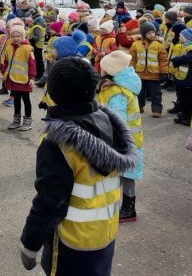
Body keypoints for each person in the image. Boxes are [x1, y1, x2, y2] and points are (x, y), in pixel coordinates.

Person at [20, 57, 138, 275]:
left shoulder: (59, 143)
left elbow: (49, 201)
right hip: (104, 233)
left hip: (71, 241)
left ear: (54, 93)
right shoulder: (106, 121)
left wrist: (30, 242)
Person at [97, 51, 145, 223]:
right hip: (123, 141)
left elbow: (118, 120)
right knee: (121, 173)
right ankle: (120, 204)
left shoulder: (118, 93)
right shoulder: (113, 87)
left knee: (127, 175)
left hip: (124, 142)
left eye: (102, 69)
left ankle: (129, 208)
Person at [129, 21, 169, 117]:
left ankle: (156, 110)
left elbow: (163, 59)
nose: (151, 35)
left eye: (153, 32)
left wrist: (164, 72)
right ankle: (139, 107)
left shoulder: (159, 45)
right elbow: (132, 59)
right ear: (143, 34)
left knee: (156, 94)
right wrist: (131, 70)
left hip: (154, 74)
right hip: (140, 74)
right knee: (139, 93)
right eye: (148, 33)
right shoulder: (136, 44)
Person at [2, 25, 36, 131]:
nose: (16, 38)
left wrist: (32, 78)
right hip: (13, 79)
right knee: (16, 99)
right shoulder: (9, 48)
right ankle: (16, 120)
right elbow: (6, 63)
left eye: (18, 36)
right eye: (13, 36)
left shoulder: (28, 49)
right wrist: (4, 73)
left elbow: (32, 64)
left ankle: (27, 121)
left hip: (24, 79)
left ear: (23, 37)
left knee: (26, 99)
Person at [172, 28, 192, 126]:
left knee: (188, 100)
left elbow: (189, 59)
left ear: (187, 39)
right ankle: (184, 115)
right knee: (183, 98)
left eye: (181, 37)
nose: (179, 38)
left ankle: (189, 118)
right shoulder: (187, 47)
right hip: (185, 79)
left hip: (191, 80)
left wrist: (177, 59)